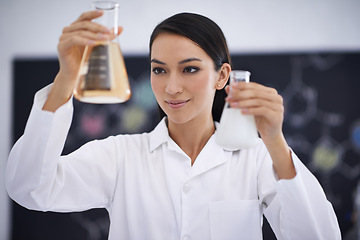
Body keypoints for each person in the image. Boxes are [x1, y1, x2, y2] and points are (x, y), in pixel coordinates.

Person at [6, 10, 341, 240]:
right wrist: (66, 79)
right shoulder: (120, 156)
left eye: (190, 69)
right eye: (159, 69)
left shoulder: (256, 160)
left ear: (222, 76)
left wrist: (275, 143)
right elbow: (29, 189)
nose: (171, 87)